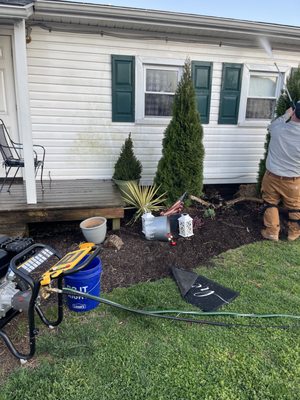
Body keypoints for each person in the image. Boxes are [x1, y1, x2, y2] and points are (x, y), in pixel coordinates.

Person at [261, 100, 300, 241]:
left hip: (271, 177)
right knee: (295, 206)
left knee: (270, 202)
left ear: (295, 112)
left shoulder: (278, 128)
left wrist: (287, 113)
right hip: (294, 180)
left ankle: (272, 232)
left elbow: (272, 125)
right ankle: (293, 233)